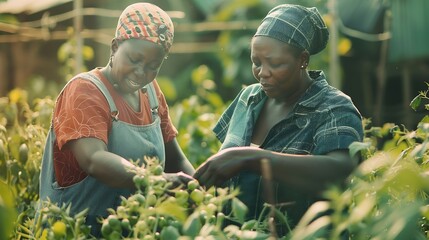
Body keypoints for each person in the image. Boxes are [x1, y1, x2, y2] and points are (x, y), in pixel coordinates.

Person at [194, 3, 364, 237]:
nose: (263, 72)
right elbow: (226, 165)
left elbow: (339, 170)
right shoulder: (248, 99)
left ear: (302, 60)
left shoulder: (333, 107)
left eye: (275, 64)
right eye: (256, 62)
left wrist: (252, 158)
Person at [37, 2, 194, 237]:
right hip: (74, 231)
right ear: (114, 47)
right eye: (134, 59)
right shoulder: (85, 91)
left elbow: (175, 159)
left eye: (153, 66)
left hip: (131, 229)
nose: (141, 72)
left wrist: (198, 187)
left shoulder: (150, 93)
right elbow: (94, 159)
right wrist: (156, 180)